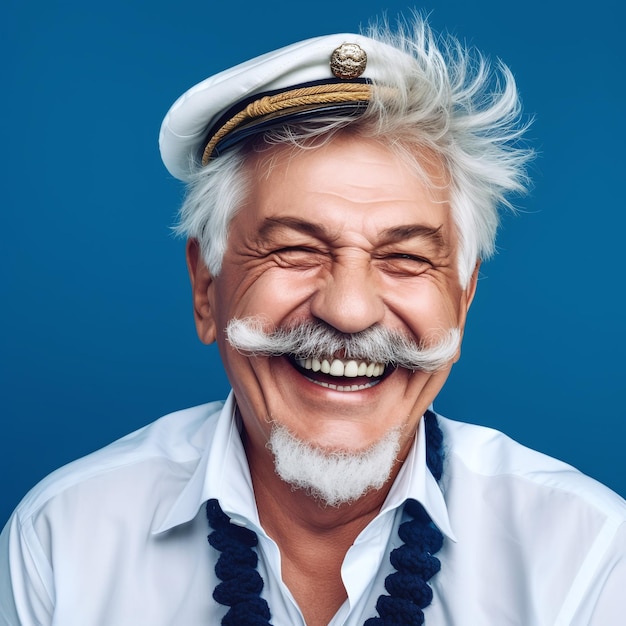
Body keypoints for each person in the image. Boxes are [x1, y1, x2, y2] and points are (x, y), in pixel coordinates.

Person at [1, 14, 625, 626]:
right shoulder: (60, 541)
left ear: (463, 300)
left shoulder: (590, 556)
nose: (349, 312)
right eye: (295, 251)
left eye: (405, 258)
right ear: (205, 287)